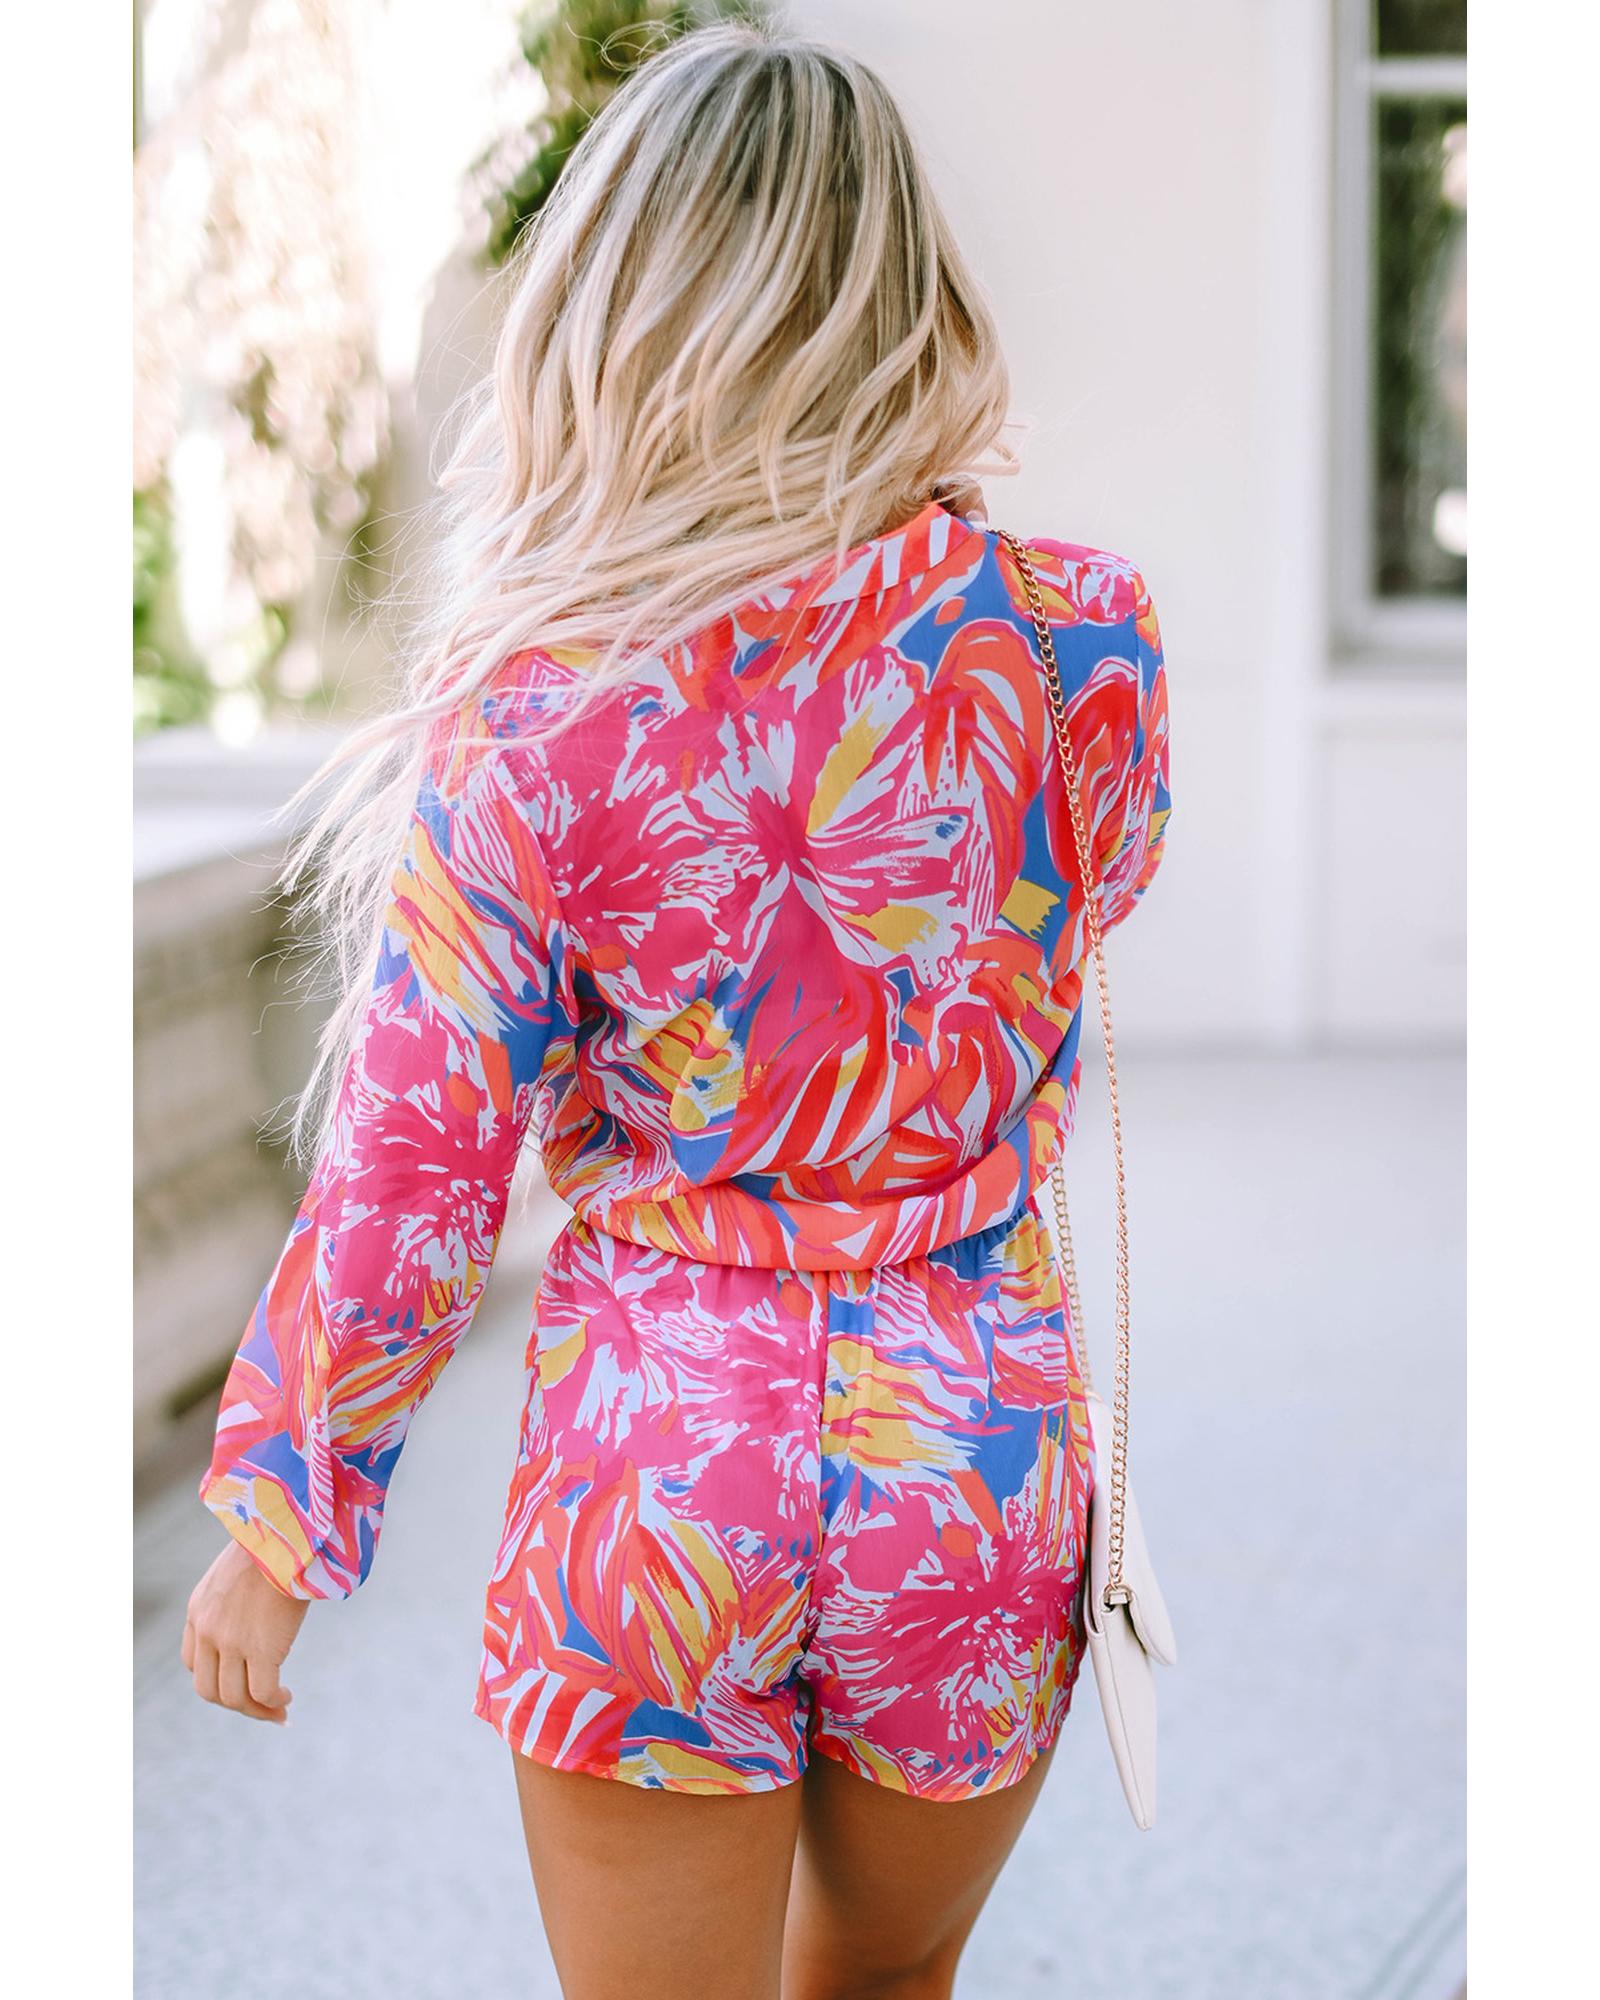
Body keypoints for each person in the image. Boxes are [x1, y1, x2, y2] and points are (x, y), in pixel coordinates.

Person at [180, 23, 1171, 2000]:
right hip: (966, 1457)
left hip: (659, 1460)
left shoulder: (539, 710)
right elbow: (1091, 895)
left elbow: (417, 1158)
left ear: (610, 313)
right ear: (905, 298)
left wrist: (286, 1515)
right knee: (882, 1986)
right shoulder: (1082, 638)